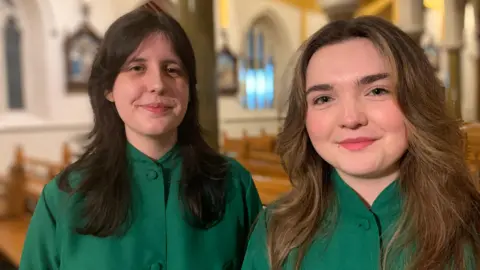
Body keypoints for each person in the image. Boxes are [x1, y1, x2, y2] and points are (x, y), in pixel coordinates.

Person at [20, 8, 262, 270]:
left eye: (172, 70)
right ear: (109, 89)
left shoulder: (234, 186)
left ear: (189, 91)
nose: (157, 84)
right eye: (137, 67)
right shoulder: (63, 198)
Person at [241, 16, 480, 270]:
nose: (351, 119)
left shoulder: (471, 223)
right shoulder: (276, 228)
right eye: (323, 98)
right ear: (303, 118)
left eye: (376, 91)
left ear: (417, 99)